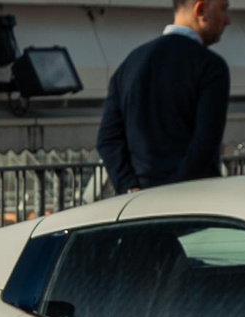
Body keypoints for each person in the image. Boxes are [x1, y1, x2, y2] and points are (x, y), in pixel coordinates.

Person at [96, 0, 232, 194]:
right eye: (224, 9)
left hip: (140, 200)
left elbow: (107, 139)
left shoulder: (129, 64)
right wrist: (174, 191)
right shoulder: (210, 67)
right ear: (201, 10)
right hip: (193, 197)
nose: (227, 20)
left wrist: (130, 187)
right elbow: (205, 142)